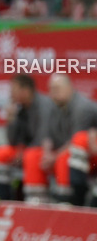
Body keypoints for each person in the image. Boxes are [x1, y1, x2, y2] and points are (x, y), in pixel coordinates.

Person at [21, 74, 97, 202]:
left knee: (64, 158)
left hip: (86, 155)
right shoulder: (53, 106)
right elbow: (46, 135)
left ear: (69, 88)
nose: (53, 93)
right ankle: (36, 204)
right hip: (61, 150)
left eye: (57, 89)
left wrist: (54, 157)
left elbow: (76, 141)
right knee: (32, 155)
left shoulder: (83, 108)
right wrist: (47, 153)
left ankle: (66, 201)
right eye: (51, 89)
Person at [0, 74, 54, 200]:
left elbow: (43, 137)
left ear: (26, 91)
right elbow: (12, 141)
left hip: (46, 149)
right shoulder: (20, 108)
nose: (10, 95)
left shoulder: (45, 105)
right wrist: (11, 119)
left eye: (13, 91)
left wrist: (22, 152)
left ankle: (35, 203)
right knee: (0, 153)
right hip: (27, 149)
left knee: (31, 156)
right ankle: (3, 200)